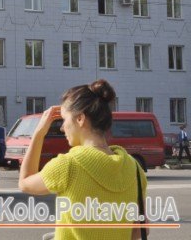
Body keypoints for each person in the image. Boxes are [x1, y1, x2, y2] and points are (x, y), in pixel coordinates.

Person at [18, 80, 148, 240]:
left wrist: (38, 133)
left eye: (64, 120)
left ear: (80, 119)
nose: (62, 127)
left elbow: (24, 183)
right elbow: (141, 229)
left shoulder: (68, 165)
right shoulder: (134, 168)